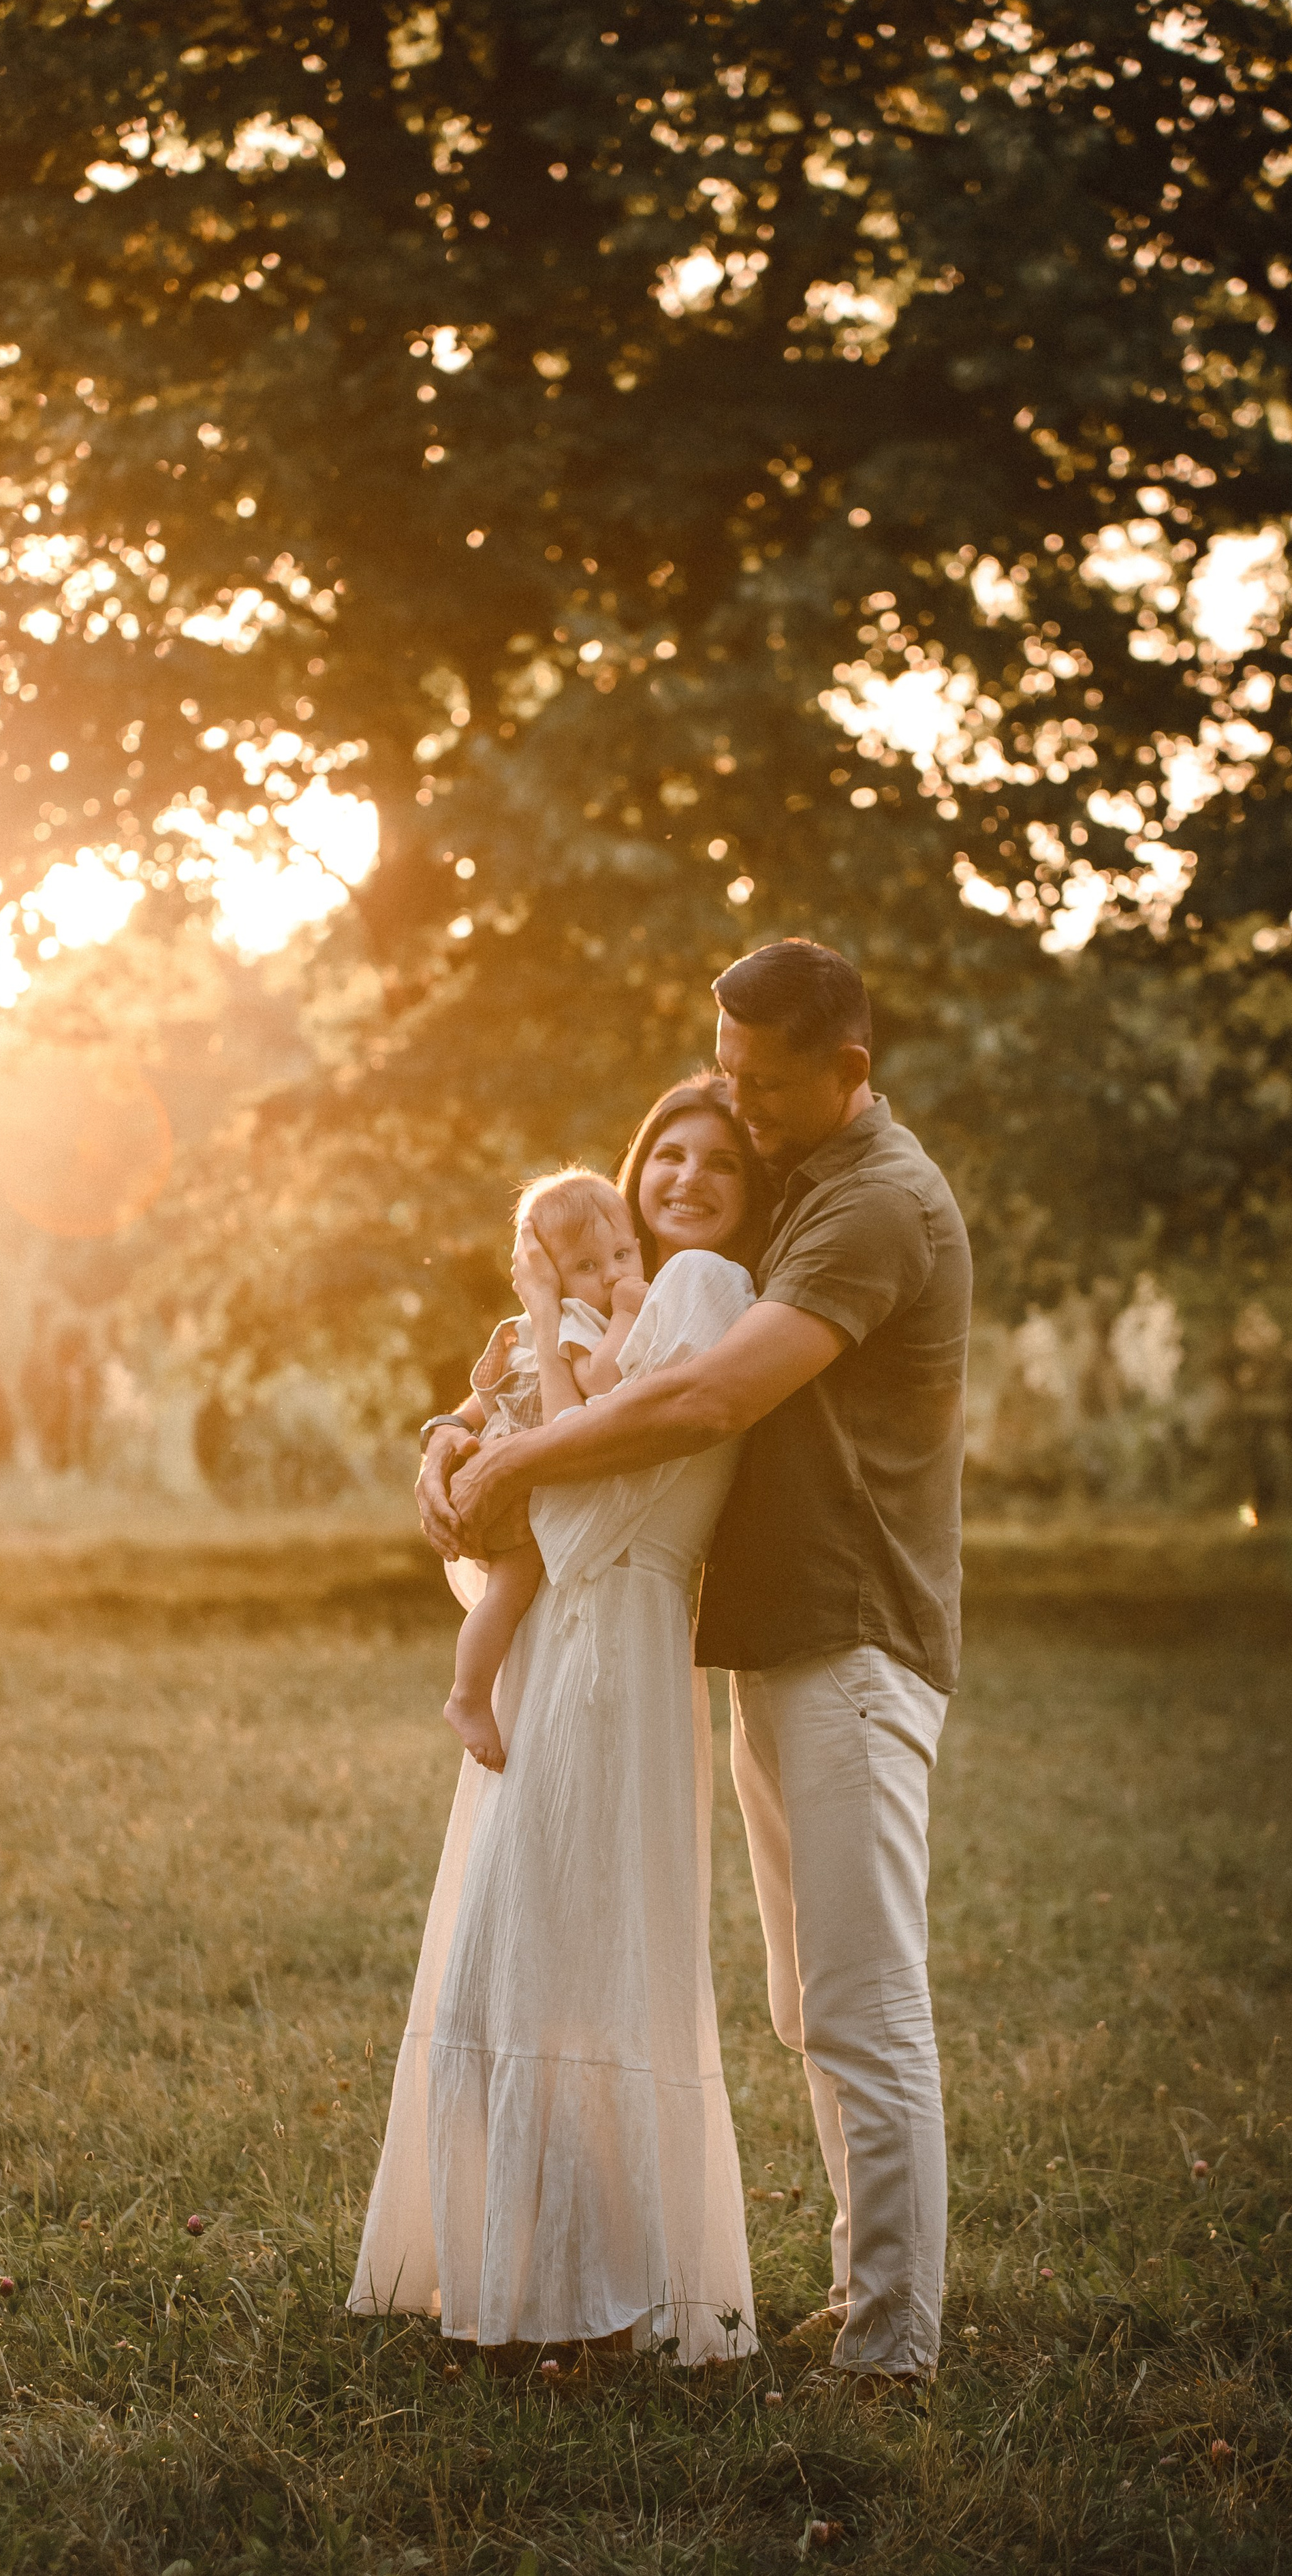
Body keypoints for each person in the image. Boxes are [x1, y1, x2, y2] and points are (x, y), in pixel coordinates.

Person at [423, 942, 971, 2384]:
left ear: (848, 1073)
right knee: (807, 2000)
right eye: (724, 1073)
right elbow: (601, 1335)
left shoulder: (874, 1203)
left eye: (762, 1086)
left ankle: (895, 2341)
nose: (738, 1106)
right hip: (776, 1640)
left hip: (856, 1636)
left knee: (863, 1998)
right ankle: (863, 2295)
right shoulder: (802, 1188)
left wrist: (515, 1464)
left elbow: (710, 1394)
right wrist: (460, 1432)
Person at [350, 1076, 770, 2366]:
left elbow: (591, 1445)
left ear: (752, 1193)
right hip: (554, 1629)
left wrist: (502, 1430)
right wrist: (448, 1435)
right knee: (515, 1944)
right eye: (668, 1154)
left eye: (720, 1162)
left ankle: (601, 2287)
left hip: (615, 1626)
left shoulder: (707, 1291)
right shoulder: (622, 1296)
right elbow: (528, 1414)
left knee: (574, 1949)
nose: (688, 1177)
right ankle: (518, 2266)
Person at [439, 1169, 649, 1772]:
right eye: (587, 1265)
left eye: (622, 1254)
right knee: (509, 1592)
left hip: (518, 1475)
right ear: (550, 1277)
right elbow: (597, 1386)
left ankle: (476, 1693)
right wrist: (628, 1316)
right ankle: (468, 1695)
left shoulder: (566, 1315)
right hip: (517, 1488)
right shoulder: (576, 1319)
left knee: (516, 1595)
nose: (611, 1275)